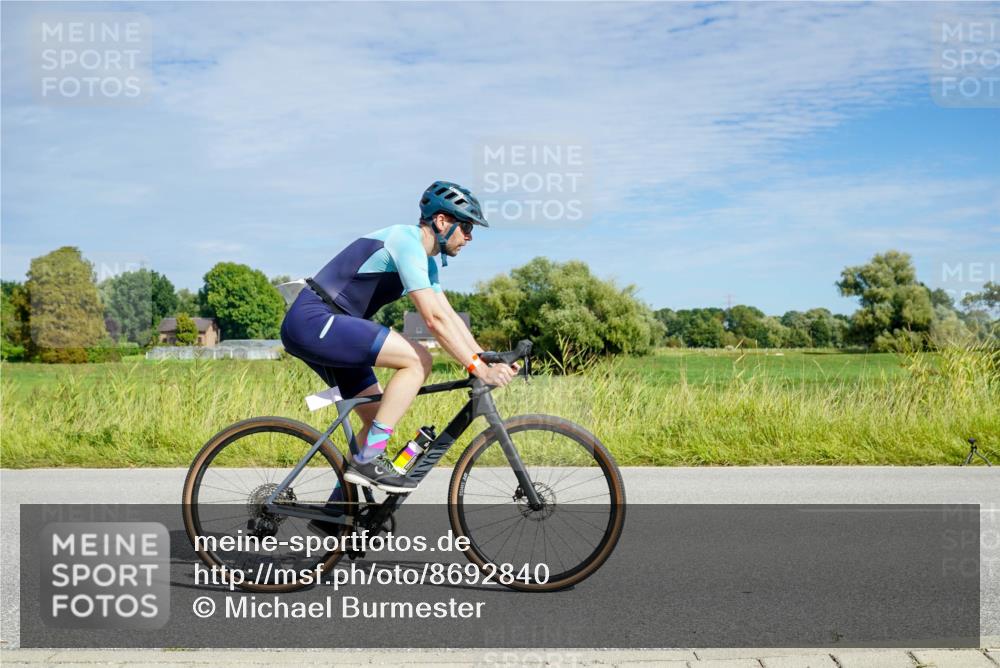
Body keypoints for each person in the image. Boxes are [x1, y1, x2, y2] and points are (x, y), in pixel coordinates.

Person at [280, 181, 518, 495]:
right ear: (442, 221)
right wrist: (478, 368)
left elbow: (447, 315)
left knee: (375, 417)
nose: (469, 237)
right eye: (467, 227)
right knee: (419, 360)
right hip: (315, 320)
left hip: (334, 326)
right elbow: (432, 321)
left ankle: (339, 509)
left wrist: (484, 356)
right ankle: (369, 459)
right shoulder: (406, 242)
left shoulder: (426, 262)